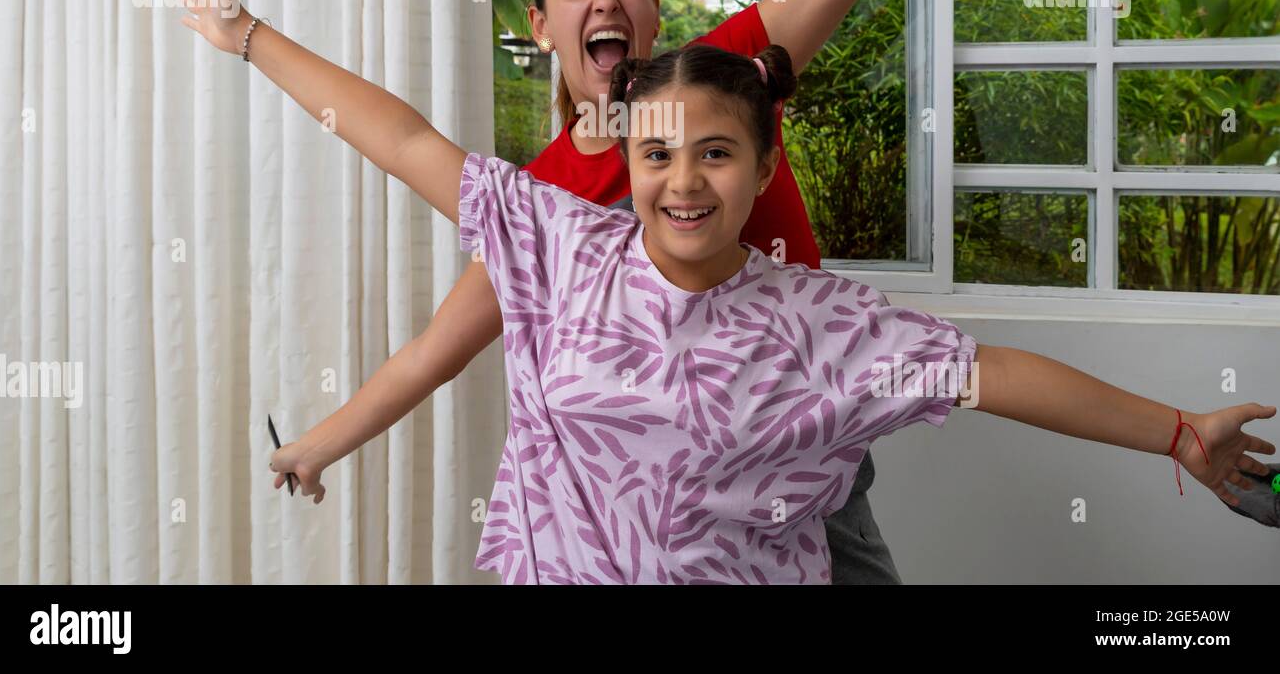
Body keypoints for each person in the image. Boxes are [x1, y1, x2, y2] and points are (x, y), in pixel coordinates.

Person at [265, 41, 1274, 583]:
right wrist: (247, 36)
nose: (684, 182)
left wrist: (1179, 431)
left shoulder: (821, 323)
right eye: (657, 154)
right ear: (628, 163)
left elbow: (993, 373)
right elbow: (398, 138)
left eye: (715, 152)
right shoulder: (562, 246)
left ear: (760, 167)